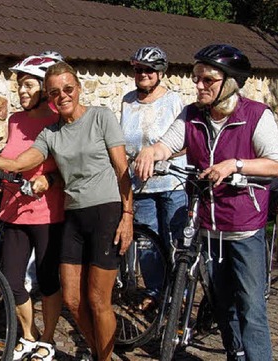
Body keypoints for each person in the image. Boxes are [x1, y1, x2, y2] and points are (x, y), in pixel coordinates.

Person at [0, 62, 133, 361]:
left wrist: (128, 215)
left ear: (79, 88)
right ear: (50, 95)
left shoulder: (101, 117)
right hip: (73, 213)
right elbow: (17, 163)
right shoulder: (51, 133)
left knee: (98, 300)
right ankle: (98, 353)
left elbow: (122, 169)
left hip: (106, 210)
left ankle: (104, 358)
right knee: (72, 299)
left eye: (68, 89)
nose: (62, 96)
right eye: (55, 92)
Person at [135, 44, 278, 361]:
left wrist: (235, 165)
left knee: (251, 307)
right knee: (221, 302)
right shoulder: (192, 115)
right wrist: (152, 151)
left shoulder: (256, 115)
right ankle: (236, 354)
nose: (199, 85)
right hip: (209, 229)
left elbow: (275, 164)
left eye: (208, 80)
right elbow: (168, 143)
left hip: (244, 229)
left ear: (229, 83)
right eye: (197, 78)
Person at [0, 55, 65, 361]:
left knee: (48, 279)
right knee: (12, 279)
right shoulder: (14, 120)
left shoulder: (57, 121)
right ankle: (29, 334)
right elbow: (9, 159)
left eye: (28, 85)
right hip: (13, 209)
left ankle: (48, 339)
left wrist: (49, 179)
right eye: (20, 85)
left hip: (48, 213)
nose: (22, 91)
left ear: (44, 87)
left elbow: (72, 167)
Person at [120, 46, 187, 309]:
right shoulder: (127, 101)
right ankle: (156, 290)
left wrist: (160, 155)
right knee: (147, 241)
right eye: (138, 70)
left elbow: (185, 142)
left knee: (175, 239)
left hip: (171, 182)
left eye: (148, 70)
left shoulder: (173, 101)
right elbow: (123, 142)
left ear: (160, 73)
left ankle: (179, 292)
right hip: (141, 185)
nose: (143, 74)